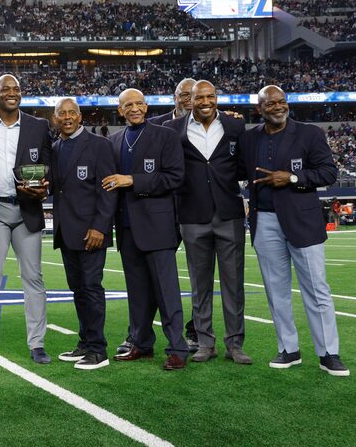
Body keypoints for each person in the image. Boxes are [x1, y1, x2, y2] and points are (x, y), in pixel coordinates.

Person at [238, 85, 348, 376]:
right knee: (276, 291)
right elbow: (237, 171)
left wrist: (293, 177)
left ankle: (328, 353)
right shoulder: (249, 139)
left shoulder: (310, 133)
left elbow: (328, 173)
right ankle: (289, 349)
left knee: (317, 288)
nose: (278, 107)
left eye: (281, 101)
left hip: (303, 221)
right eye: (270, 103)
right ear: (259, 109)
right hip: (265, 221)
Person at [0, 74, 53, 365]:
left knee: (34, 278)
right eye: (6, 89)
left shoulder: (38, 125)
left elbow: (48, 165)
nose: (11, 93)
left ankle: (37, 344)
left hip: (27, 209)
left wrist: (44, 185)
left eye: (16, 89)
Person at [165, 80, 250, 365]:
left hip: (229, 212)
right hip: (192, 214)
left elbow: (241, 165)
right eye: (198, 96)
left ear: (216, 98)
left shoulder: (235, 126)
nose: (204, 101)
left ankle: (235, 344)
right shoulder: (173, 129)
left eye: (210, 96)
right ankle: (205, 342)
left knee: (233, 283)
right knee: (199, 285)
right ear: (188, 99)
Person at [104, 88, 189, 371]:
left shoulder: (166, 136)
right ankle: (140, 342)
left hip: (158, 226)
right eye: (128, 105)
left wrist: (132, 181)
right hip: (127, 227)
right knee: (137, 291)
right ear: (120, 110)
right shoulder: (114, 141)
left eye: (139, 103)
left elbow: (175, 177)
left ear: (147, 106)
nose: (135, 108)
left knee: (167, 291)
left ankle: (177, 348)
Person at [51, 98, 116, 370]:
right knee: (78, 289)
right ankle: (85, 342)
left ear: (80, 117)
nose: (67, 117)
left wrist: (100, 226)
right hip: (67, 231)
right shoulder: (54, 148)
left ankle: (98, 349)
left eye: (71, 113)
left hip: (91, 231)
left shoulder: (100, 145)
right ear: (55, 119)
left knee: (91, 288)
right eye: (61, 114)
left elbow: (108, 189)